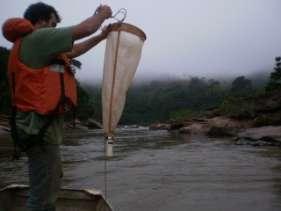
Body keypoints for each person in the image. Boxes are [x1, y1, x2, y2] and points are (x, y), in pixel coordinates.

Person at [2, 2, 112, 211]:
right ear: (40, 21)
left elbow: (75, 49)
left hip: (39, 130)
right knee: (42, 197)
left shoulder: (39, 47)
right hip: (39, 130)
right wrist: (102, 15)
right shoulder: (36, 38)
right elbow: (86, 28)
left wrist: (102, 35)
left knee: (48, 185)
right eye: (52, 24)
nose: (54, 30)